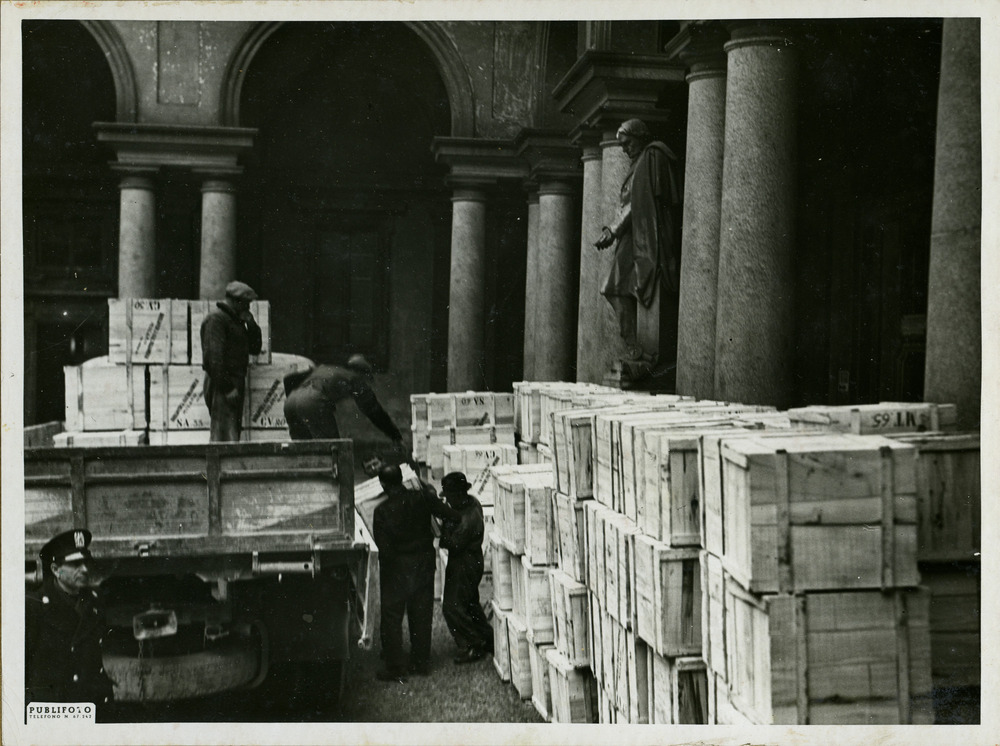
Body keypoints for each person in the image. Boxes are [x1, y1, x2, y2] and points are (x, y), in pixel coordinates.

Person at [594, 118, 682, 363]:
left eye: (627, 143)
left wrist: (613, 230)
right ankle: (634, 346)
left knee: (613, 288)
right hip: (632, 236)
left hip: (643, 235)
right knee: (614, 289)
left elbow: (639, 202)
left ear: (640, 137)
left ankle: (636, 348)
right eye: (621, 145)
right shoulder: (639, 163)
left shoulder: (652, 157)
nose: (624, 149)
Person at [371, 463, 462, 681]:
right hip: (423, 563)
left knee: (392, 618)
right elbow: (453, 515)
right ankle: (420, 662)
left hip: (396, 568)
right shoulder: (423, 498)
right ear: (403, 478)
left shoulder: (381, 511)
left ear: (382, 484)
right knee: (421, 613)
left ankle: (395, 667)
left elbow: (384, 549)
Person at [25, 529, 115, 717]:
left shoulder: (95, 601)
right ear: (56, 570)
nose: (84, 569)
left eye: (85, 563)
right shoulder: (34, 606)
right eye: (75, 564)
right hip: (53, 710)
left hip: (91, 705)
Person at [283, 354, 404, 452]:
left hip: (291, 401)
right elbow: (373, 410)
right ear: (363, 373)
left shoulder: (326, 369)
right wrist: (395, 435)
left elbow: (288, 379)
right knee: (332, 449)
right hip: (312, 401)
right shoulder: (355, 378)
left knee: (300, 448)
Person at [438, 472, 493, 664]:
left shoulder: (467, 517)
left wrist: (442, 529)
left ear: (458, 493)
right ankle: (487, 637)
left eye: (450, 495)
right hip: (468, 560)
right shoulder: (472, 503)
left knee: (452, 607)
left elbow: (451, 543)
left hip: (465, 562)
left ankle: (472, 644)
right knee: (469, 602)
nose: (448, 500)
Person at [200, 280, 263, 442]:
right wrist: (227, 387)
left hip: (233, 381)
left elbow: (255, 348)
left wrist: (251, 324)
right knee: (223, 436)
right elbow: (213, 358)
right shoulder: (217, 320)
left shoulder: (236, 322)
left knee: (231, 433)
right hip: (223, 383)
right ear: (236, 301)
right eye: (246, 304)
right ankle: (220, 467)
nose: (248, 308)